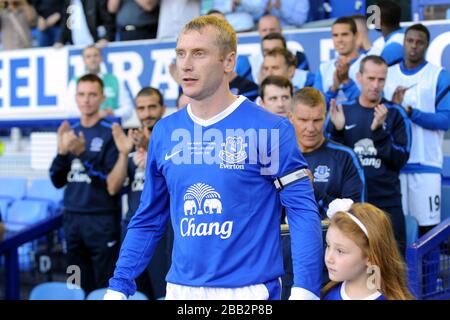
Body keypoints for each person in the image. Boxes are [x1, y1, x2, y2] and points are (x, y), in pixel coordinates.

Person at [105, 15, 323, 300]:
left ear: (228, 62)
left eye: (199, 53)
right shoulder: (165, 132)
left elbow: (301, 212)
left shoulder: (268, 129)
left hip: (249, 293)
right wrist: (119, 285)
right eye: (181, 53)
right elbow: (148, 218)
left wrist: (306, 289)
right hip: (181, 291)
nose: (186, 64)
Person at [326, 55, 411, 254]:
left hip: (387, 204)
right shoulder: (343, 110)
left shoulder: (395, 113)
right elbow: (332, 160)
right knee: (354, 266)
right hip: (352, 205)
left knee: (392, 266)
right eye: (371, 78)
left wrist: (379, 133)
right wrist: (338, 132)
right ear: (359, 77)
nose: (375, 85)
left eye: (381, 79)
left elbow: (400, 160)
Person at [49, 74, 121, 294]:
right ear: (76, 98)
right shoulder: (69, 131)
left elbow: (110, 183)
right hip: (72, 220)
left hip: (101, 220)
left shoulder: (111, 133)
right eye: (82, 94)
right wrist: (62, 153)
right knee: (74, 283)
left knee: (103, 286)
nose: (86, 99)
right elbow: (57, 180)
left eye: (92, 94)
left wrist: (83, 154)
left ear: (101, 98)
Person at [384, 24, 450, 236]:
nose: (414, 46)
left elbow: (445, 120)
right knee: (394, 231)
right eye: (409, 41)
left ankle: (426, 272)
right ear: (403, 42)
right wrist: (395, 108)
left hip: (426, 166)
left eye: (419, 42)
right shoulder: (387, 75)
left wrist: (411, 113)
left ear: (426, 45)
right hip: (394, 167)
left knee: (427, 231)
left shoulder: (438, 76)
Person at [108, 87, 171, 299]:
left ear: (162, 108)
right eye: (141, 108)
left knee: (162, 292)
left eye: (152, 107)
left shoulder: (172, 142)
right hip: (132, 231)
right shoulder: (130, 143)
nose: (147, 113)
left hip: (163, 234)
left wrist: (151, 150)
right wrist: (123, 153)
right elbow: (113, 187)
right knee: (134, 294)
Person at [322, 199, 413, 300]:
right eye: (328, 245)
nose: (328, 258)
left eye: (340, 251)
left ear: (370, 257)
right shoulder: (327, 294)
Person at [66, 45, 133, 122]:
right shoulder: (75, 82)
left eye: (95, 55)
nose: (92, 59)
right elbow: (70, 110)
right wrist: (94, 115)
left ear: (101, 58)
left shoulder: (115, 80)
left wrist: (113, 112)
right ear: (83, 60)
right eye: (88, 56)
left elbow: (128, 109)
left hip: (111, 128)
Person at [313, 17, 365, 107]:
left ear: (356, 36)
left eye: (345, 34)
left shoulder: (368, 63)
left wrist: (346, 82)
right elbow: (316, 106)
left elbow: (370, 102)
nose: (339, 39)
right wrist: (333, 89)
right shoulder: (324, 68)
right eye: (335, 35)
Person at [369, 0, 404, 66]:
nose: (373, 21)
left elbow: (376, 71)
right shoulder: (401, 37)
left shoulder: (393, 46)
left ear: (380, 22)